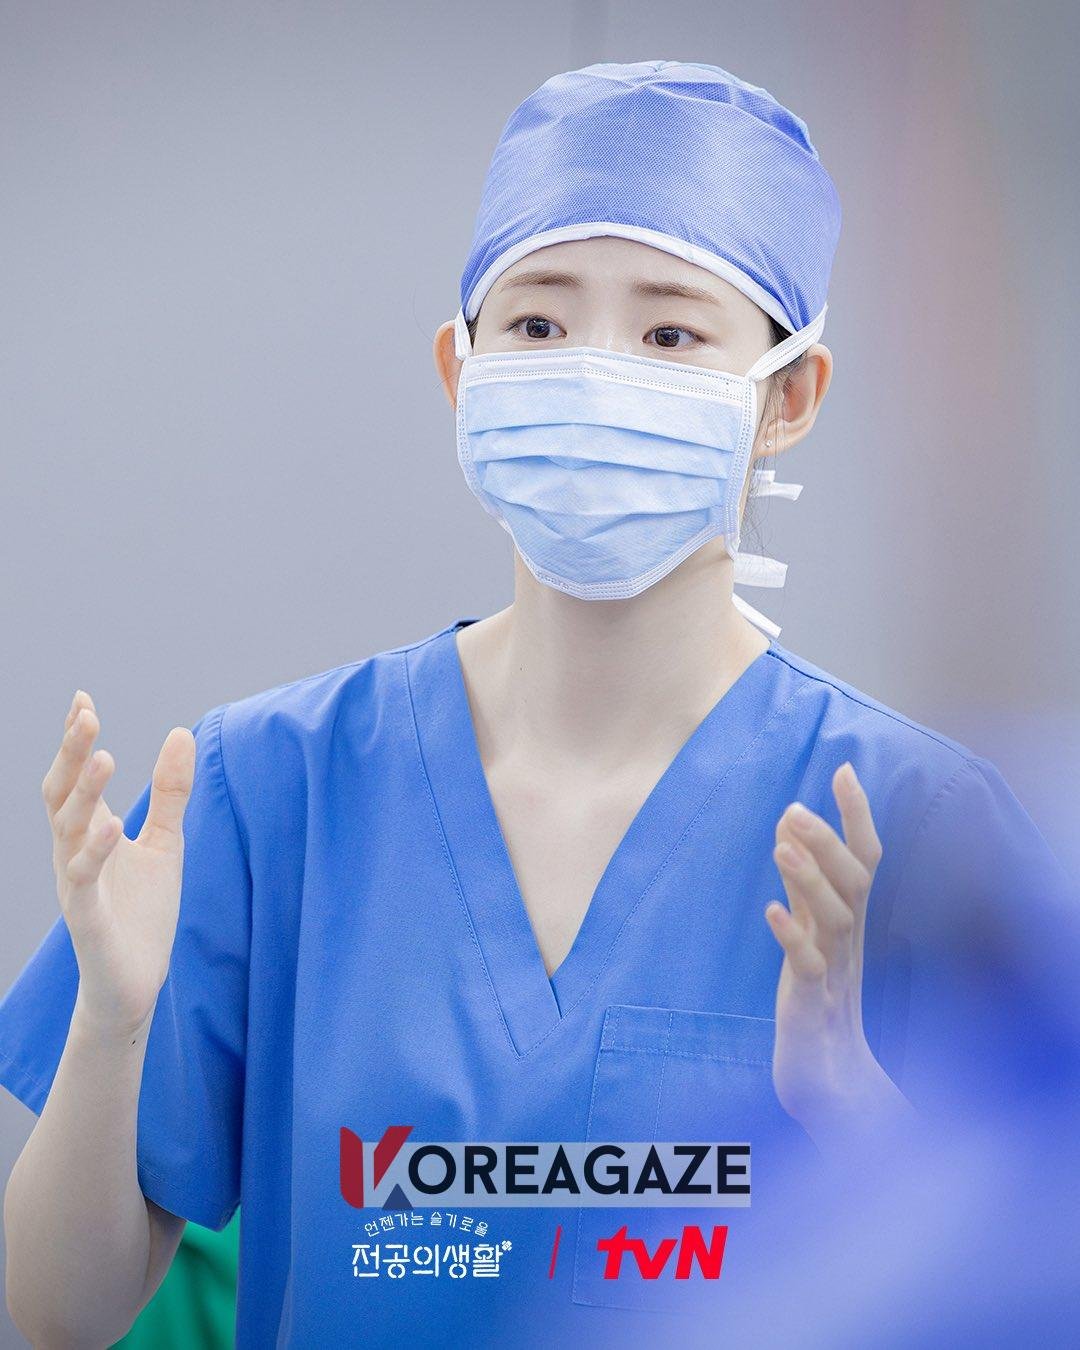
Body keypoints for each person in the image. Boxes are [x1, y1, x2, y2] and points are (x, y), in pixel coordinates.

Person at [0, 60, 1074, 1349]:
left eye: (670, 334)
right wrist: (114, 1028)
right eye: (538, 325)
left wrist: (861, 1122)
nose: (594, 372)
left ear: (787, 399)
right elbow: (57, 1316)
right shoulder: (271, 795)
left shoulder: (920, 836)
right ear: (461, 372)